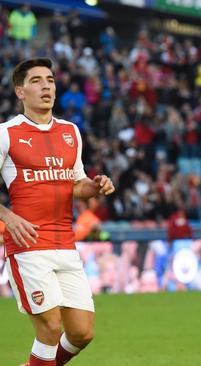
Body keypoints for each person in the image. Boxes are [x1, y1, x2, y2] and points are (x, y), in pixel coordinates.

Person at [2, 58, 115, 366]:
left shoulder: (70, 132)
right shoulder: (6, 133)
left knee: (81, 333)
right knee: (51, 328)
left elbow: (76, 184)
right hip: (28, 246)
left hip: (65, 244)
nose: (46, 86)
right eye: (37, 81)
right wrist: (8, 216)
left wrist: (95, 184)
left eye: (50, 80)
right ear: (20, 92)